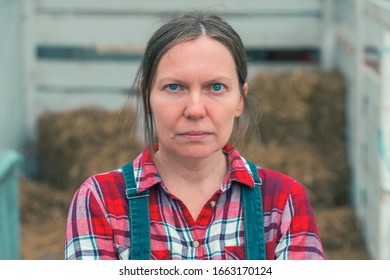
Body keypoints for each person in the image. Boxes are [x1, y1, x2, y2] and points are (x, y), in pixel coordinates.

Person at [65, 11, 324, 260]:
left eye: (216, 87)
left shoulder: (284, 202)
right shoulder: (99, 201)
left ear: (240, 100)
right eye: (174, 87)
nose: (195, 110)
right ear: (146, 96)